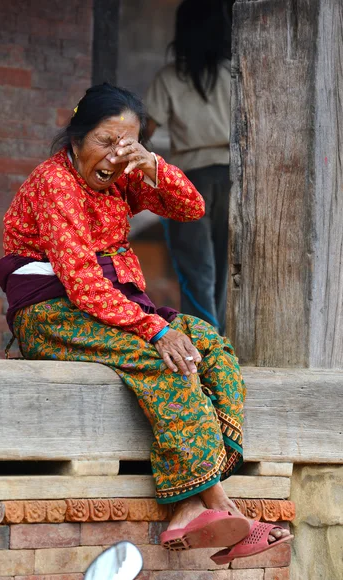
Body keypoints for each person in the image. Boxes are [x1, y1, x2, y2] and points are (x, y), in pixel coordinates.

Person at [0, 82, 291, 561]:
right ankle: (216, 503)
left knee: (210, 345)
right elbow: (83, 283)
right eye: (104, 142)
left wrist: (150, 164)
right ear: (75, 139)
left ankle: (198, 504)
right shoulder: (55, 182)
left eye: (125, 144)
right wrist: (154, 328)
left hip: (113, 308)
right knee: (161, 358)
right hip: (52, 315)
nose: (113, 157)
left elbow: (191, 206)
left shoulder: (122, 176)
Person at [145, 0, 233, 335]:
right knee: (224, 270)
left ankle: (206, 342)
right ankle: (219, 342)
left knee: (196, 269)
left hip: (190, 180)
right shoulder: (234, 75)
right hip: (232, 178)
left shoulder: (170, 77)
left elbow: (145, 130)